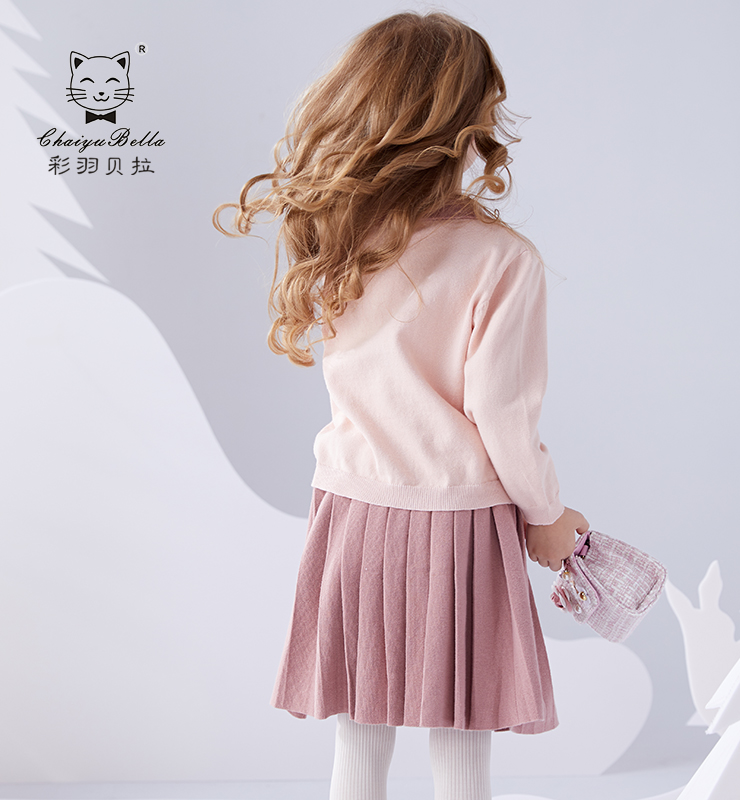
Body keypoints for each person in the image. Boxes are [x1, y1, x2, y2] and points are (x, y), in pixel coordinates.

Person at [213, 10, 589, 800]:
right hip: (461, 520)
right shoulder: (502, 260)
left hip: (353, 512)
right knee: (460, 737)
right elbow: (503, 416)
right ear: (470, 125)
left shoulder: (344, 238)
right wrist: (548, 515)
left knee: (360, 736)